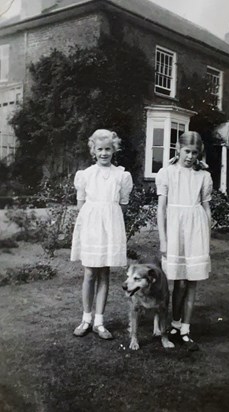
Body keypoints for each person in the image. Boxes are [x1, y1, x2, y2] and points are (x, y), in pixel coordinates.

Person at [71, 129, 133, 340]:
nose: (104, 153)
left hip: (110, 227)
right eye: (100, 149)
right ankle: (86, 318)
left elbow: (122, 205)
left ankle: (99, 321)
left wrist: (109, 219)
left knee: (104, 273)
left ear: (114, 150)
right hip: (91, 227)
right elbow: (81, 204)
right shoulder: (86, 175)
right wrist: (94, 220)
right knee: (89, 273)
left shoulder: (121, 175)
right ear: (93, 151)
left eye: (108, 149)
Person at [156, 131, 213, 351]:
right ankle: (175, 324)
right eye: (186, 151)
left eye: (194, 153)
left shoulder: (203, 176)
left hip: (196, 229)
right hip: (175, 229)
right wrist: (163, 239)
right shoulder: (167, 173)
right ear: (178, 149)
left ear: (199, 154)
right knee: (178, 280)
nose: (190, 156)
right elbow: (161, 209)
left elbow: (206, 208)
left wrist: (206, 235)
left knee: (192, 281)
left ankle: (186, 329)